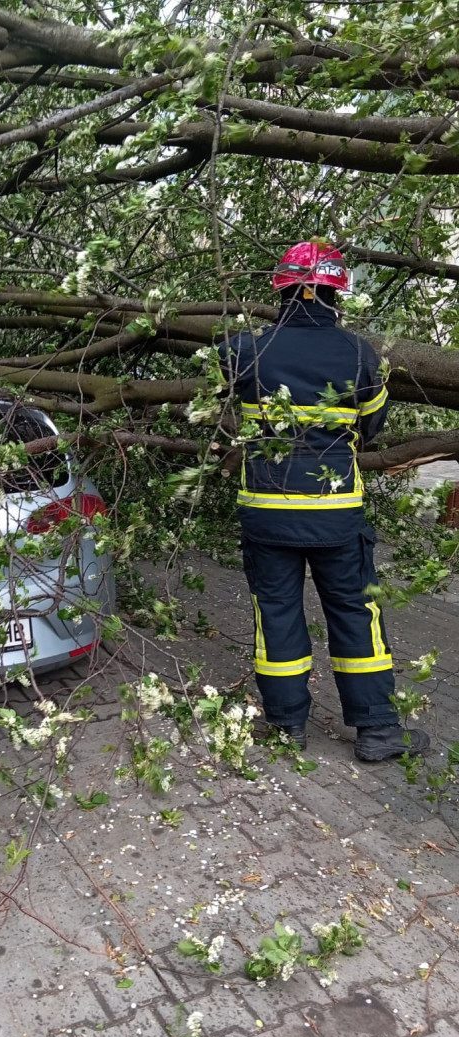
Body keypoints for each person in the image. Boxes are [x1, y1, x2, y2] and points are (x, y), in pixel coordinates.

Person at [219, 241, 430, 761]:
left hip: (267, 512)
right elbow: (373, 427)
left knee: (277, 614)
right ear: (336, 294)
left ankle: (287, 727)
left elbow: (223, 404)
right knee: (357, 613)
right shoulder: (360, 354)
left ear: (284, 289)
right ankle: (378, 729)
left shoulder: (243, 350)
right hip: (336, 516)